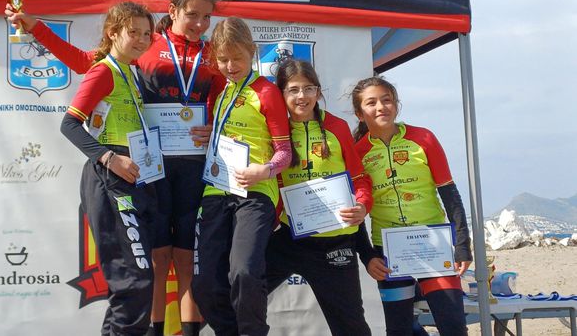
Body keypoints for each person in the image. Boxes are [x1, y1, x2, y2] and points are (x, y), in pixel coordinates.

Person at [6, 0, 224, 336]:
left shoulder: (208, 56)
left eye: (206, 17)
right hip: (143, 168)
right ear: (173, 12)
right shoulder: (141, 49)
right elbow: (82, 63)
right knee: (149, 265)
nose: (199, 24)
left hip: (184, 167)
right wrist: (35, 27)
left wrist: (214, 126)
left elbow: (229, 103)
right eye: (192, 15)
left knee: (183, 262)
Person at [60, 1, 157, 335]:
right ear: (113, 33)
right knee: (134, 279)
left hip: (134, 178)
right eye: (134, 32)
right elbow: (69, 125)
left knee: (133, 280)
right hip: (109, 177)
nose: (142, 40)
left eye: (147, 34)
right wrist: (109, 158)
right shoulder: (103, 71)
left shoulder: (132, 72)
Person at [191, 17, 292, 336]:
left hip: (256, 194)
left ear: (252, 51)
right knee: (204, 283)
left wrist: (266, 170)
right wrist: (211, 134)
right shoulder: (222, 93)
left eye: (237, 58)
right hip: (216, 192)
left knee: (244, 272)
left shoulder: (267, 91)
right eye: (223, 59)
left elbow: (285, 152)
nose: (230, 66)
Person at [351, 76, 472, 336]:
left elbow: (450, 194)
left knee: (452, 325)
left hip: (433, 244)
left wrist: (462, 245)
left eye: (386, 100)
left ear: (396, 104)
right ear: (359, 114)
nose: (381, 107)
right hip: (388, 251)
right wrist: (368, 255)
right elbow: (355, 211)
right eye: (371, 103)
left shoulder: (423, 138)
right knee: (399, 330)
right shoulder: (357, 153)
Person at [265, 58, 378, 336]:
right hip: (289, 238)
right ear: (281, 94)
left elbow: (359, 179)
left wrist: (362, 205)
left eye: (308, 89)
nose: (301, 96)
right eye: (293, 90)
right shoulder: (274, 130)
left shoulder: (337, 127)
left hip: (334, 244)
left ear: (318, 92)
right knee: (239, 295)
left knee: (351, 327)